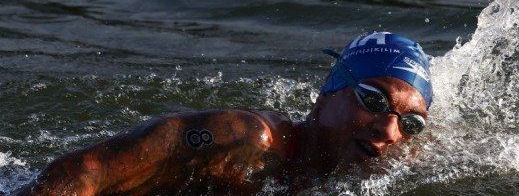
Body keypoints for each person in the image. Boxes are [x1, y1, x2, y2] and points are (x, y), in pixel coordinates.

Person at [15, 32, 433, 196]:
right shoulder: (246, 140)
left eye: (410, 123)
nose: (389, 130)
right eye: (374, 101)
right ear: (326, 97)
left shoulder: (379, 175)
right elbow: (84, 172)